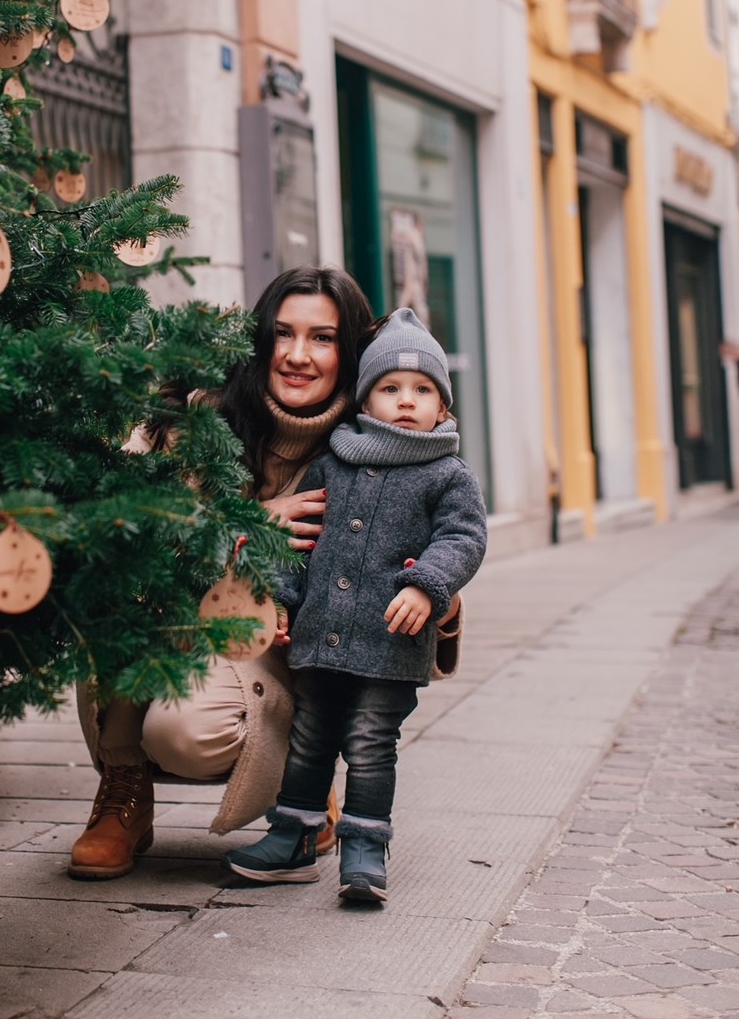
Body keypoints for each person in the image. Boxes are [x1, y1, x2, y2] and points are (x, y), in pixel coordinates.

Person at [68, 265, 375, 880]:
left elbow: (410, 559)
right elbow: (125, 524)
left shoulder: (374, 443)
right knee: (109, 591)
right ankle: (123, 790)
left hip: (278, 649)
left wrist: (438, 600)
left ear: (350, 351)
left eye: (322, 338)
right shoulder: (193, 417)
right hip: (171, 615)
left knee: (184, 734)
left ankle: (306, 782)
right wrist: (250, 523)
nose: (297, 355)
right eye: (283, 334)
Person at [225, 306, 487, 904]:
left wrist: (429, 585)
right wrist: (283, 602)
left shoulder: (447, 474)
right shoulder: (334, 460)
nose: (404, 400)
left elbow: (464, 538)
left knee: (370, 741)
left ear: (442, 408)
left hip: (391, 644)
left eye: (422, 390)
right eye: (389, 388)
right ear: (364, 401)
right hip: (322, 638)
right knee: (310, 737)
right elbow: (301, 544)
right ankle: (292, 836)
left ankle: (365, 848)